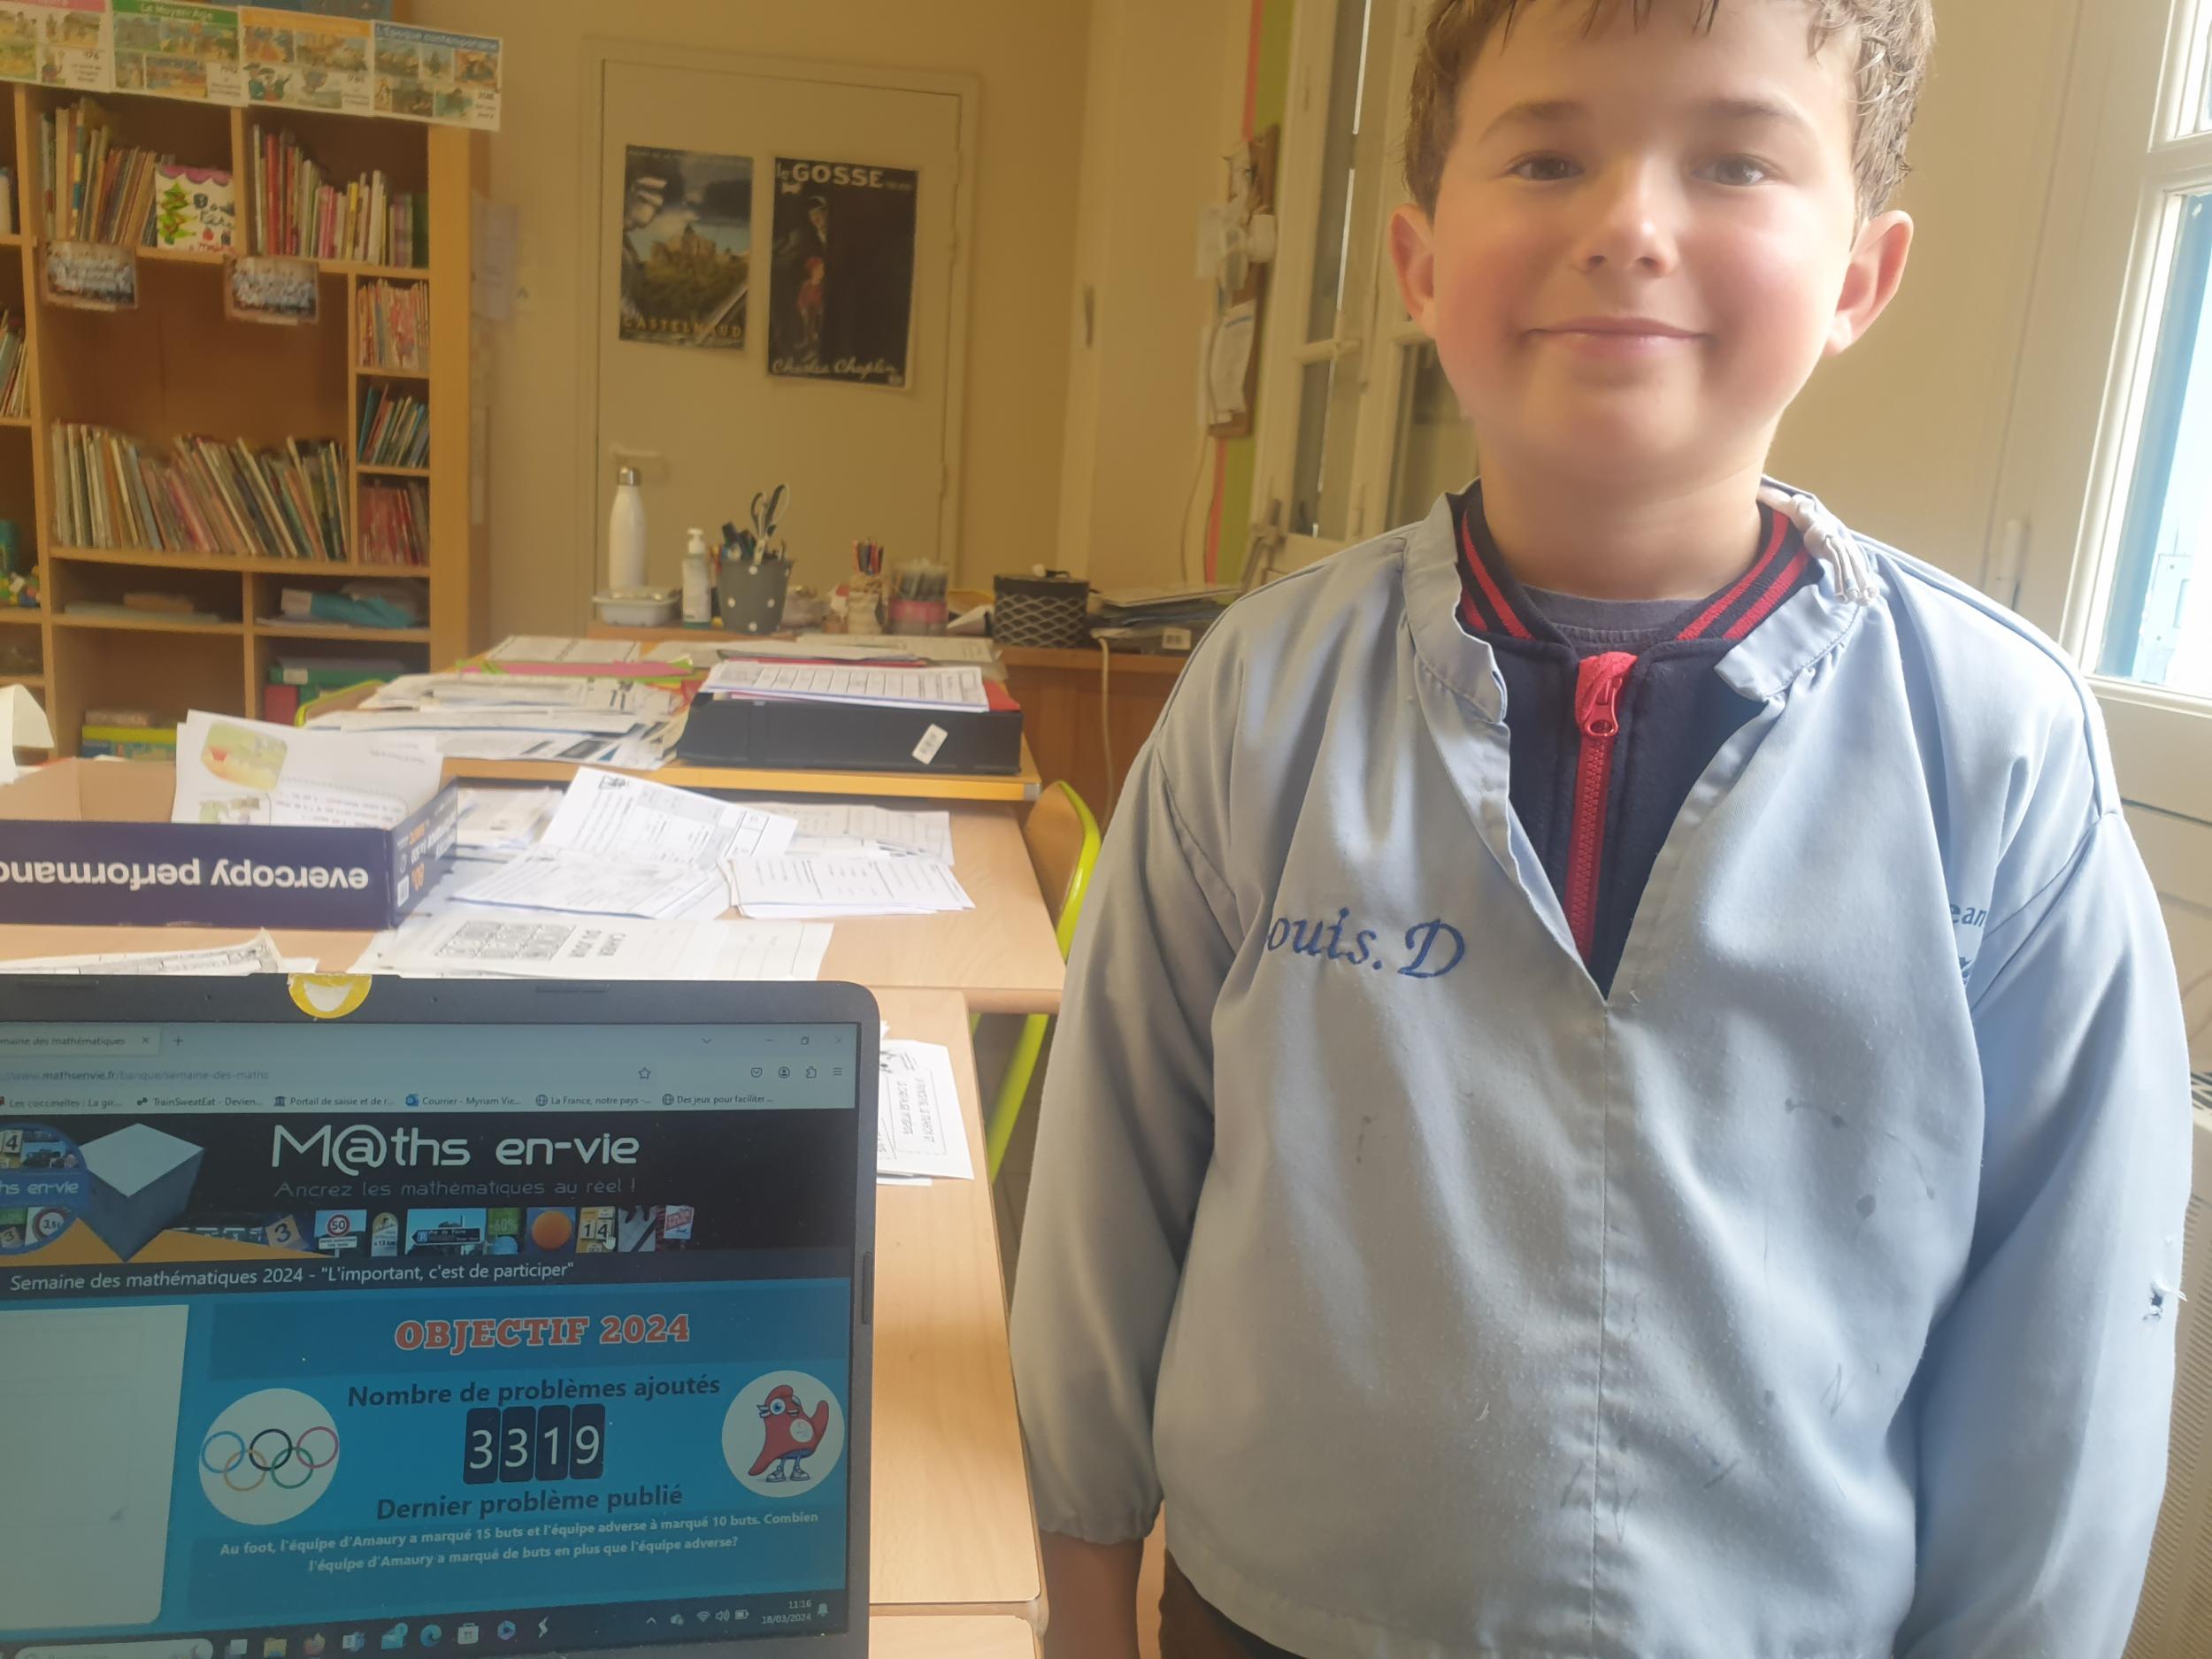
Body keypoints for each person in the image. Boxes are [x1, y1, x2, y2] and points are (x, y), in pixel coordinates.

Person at [1010, 3, 2194, 1656]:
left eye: (1736, 163)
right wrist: (1079, 1588)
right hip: (1271, 1619)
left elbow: (2070, 1331)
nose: (1631, 223)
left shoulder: (1997, 747)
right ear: (1420, 264)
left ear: (1860, 276)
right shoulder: (1264, 694)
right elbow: (1105, 1189)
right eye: (1551, 156)